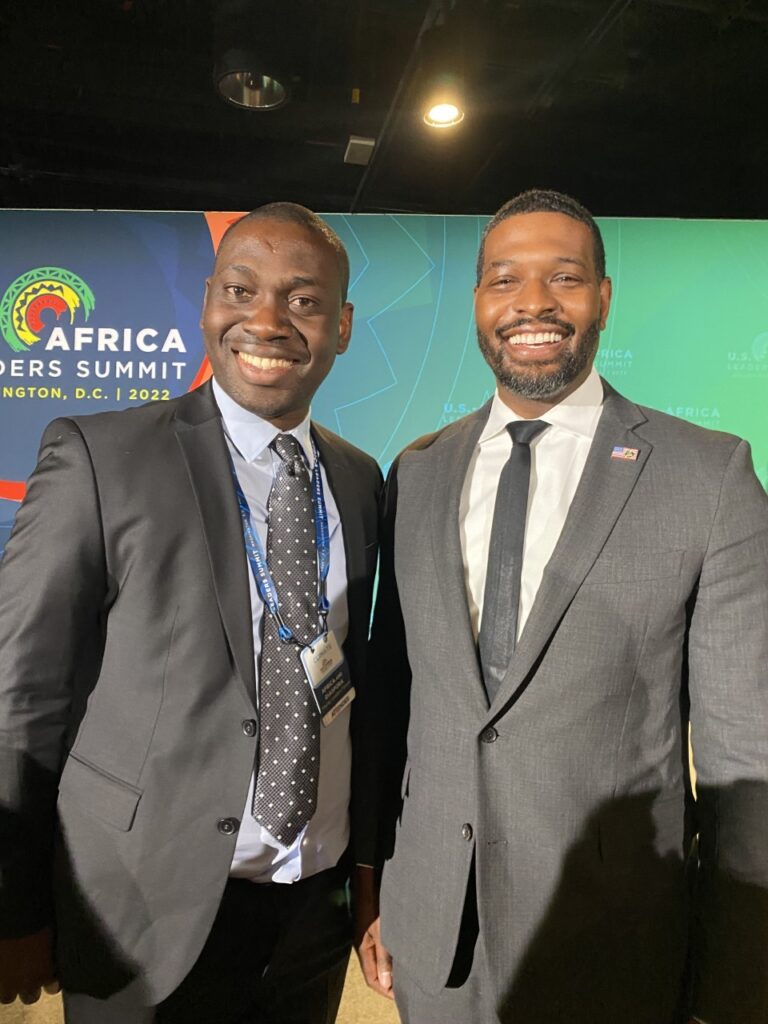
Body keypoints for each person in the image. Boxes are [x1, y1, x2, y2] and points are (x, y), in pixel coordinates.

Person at [354, 189, 768, 1024]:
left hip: (617, 943)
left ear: (604, 299)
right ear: (477, 303)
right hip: (436, 938)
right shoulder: (419, 473)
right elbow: (393, 700)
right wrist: (374, 884)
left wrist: (733, 980)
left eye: (565, 278)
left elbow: (744, 754)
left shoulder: (709, 475)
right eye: (504, 279)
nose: (533, 303)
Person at [0, 203, 382, 1023]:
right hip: (141, 906)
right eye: (241, 290)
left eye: (304, 300)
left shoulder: (359, 479)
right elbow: (22, 698)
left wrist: (362, 882)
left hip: (311, 906)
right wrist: (15, 905)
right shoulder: (100, 456)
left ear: (343, 326)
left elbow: (359, 681)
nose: (267, 320)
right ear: (207, 301)